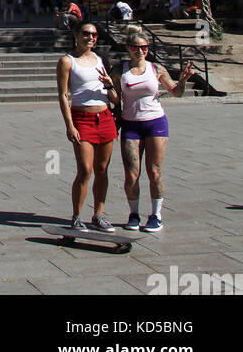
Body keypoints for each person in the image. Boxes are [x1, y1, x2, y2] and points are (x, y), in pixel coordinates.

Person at [112, 26, 193, 233]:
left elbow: (176, 93)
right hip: (131, 124)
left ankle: (156, 215)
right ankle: (134, 213)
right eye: (136, 47)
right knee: (132, 174)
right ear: (128, 48)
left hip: (155, 123)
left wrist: (183, 80)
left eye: (144, 47)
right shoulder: (120, 69)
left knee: (154, 171)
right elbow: (112, 96)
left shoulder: (156, 69)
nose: (140, 51)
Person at [56, 22, 119, 234]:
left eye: (93, 34)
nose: (90, 38)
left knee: (102, 170)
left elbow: (113, 96)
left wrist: (110, 85)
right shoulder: (67, 61)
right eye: (85, 34)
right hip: (82, 119)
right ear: (76, 35)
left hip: (105, 117)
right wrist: (69, 125)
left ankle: (99, 214)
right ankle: (77, 215)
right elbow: (63, 95)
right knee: (85, 170)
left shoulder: (100, 59)